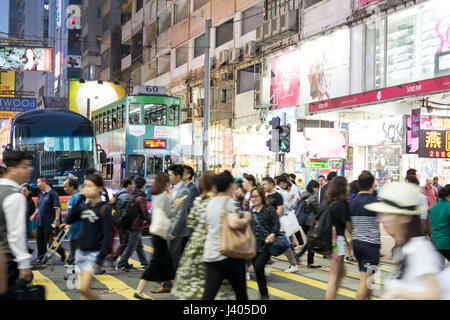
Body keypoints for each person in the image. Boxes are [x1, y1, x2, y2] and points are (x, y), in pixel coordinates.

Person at [364, 182, 444, 300]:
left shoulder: (419, 250)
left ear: (404, 217)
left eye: (388, 214)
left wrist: (398, 293)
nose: (381, 219)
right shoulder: (405, 247)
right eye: (382, 214)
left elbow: (435, 295)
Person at [172, 171, 234, 300]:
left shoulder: (199, 200)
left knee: (193, 279)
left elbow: (191, 222)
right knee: (215, 281)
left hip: (195, 245)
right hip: (214, 243)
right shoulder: (220, 202)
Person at [60, 172, 112, 300]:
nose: (86, 189)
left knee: (84, 288)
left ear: (99, 188)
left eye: (90, 186)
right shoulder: (85, 206)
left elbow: (108, 235)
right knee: (83, 291)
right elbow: (70, 217)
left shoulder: (104, 208)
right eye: (85, 186)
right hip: (81, 252)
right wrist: (80, 198)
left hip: (93, 254)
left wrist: (100, 259)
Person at [202, 170, 252, 300]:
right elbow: (234, 223)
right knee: (241, 294)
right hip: (229, 254)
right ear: (230, 185)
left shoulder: (210, 202)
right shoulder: (230, 202)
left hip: (210, 255)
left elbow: (206, 227)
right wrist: (246, 218)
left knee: (209, 294)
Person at [134, 174, 175, 300]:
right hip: (159, 234)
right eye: (168, 183)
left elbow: (160, 217)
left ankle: (176, 287)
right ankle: (139, 291)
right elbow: (170, 213)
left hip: (157, 233)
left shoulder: (156, 196)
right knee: (155, 263)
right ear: (165, 184)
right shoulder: (163, 196)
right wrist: (177, 204)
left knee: (168, 262)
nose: (170, 185)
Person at [0, 151, 33, 299]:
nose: (29, 170)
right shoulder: (15, 196)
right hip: (8, 262)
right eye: (25, 167)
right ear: (12, 169)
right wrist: (24, 264)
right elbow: (16, 235)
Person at [153, 164, 190, 293]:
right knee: (171, 257)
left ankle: (170, 283)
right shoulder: (173, 188)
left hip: (176, 230)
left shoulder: (183, 191)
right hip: (170, 228)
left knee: (172, 257)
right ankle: (170, 282)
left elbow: (181, 215)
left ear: (179, 176)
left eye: (171, 175)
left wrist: (173, 232)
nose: (169, 177)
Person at [348, 171, 380, 300]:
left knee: (371, 279)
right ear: (372, 184)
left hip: (357, 244)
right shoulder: (375, 202)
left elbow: (349, 226)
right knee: (365, 280)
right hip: (371, 246)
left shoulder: (353, 202)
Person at [249, 187, 280, 300]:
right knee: (258, 271)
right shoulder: (251, 210)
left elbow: (276, 224)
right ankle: (264, 294)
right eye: (252, 196)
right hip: (253, 245)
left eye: (256, 196)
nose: (254, 199)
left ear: (262, 196)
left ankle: (264, 295)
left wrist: (272, 234)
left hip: (266, 245)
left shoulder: (269, 209)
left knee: (258, 267)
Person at [262, 177, 298, 273]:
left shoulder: (277, 195)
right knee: (266, 243)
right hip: (267, 225)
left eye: (265, 184)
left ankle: (293, 264)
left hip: (275, 224)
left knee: (283, 244)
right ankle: (262, 264)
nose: (263, 186)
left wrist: (272, 218)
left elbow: (280, 209)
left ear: (271, 184)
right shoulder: (265, 195)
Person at [30, 176, 66, 266]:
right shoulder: (41, 194)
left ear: (44, 182)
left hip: (49, 223)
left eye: (38, 182)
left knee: (50, 243)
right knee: (40, 242)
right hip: (40, 223)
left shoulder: (53, 194)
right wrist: (34, 215)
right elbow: (39, 207)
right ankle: (41, 259)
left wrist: (57, 219)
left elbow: (57, 208)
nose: (37, 185)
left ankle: (62, 253)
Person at [325, 176, 350, 300]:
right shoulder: (341, 205)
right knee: (334, 276)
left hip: (330, 240)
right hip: (337, 241)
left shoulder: (329, 201)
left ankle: (333, 296)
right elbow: (349, 226)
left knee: (341, 272)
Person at [116, 177, 150, 271]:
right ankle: (121, 263)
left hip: (130, 223)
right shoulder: (141, 197)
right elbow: (144, 213)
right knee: (131, 246)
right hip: (136, 225)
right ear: (143, 186)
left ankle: (145, 262)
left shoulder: (132, 195)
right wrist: (151, 221)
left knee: (139, 246)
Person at [295, 180, 321, 268]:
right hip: (310, 222)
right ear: (314, 188)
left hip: (303, 221)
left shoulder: (303, 195)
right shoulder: (313, 197)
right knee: (311, 241)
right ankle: (310, 262)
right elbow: (317, 210)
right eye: (317, 188)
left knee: (310, 241)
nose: (318, 190)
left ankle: (298, 256)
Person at [107, 179, 133, 263]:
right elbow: (124, 210)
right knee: (124, 242)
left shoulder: (119, 193)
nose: (132, 186)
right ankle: (114, 257)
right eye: (131, 184)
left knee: (124, 241)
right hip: (122, 221)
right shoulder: (125, 196)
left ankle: (124, 261)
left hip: (116, 220)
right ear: (128, 185)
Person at [63, 178, 84, 268]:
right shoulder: (71, 198)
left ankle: (73, 277)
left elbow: (80, 213)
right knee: (73, 249)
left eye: (66, 186)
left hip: (78, 229)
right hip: (73, 230)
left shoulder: (78, 197)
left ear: (72, 187)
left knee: (74, 251)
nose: (64, 188)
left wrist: (70, 223)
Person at [429, 185, 450, 263]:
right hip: (447, 243)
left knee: (438, 270)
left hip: (434, 242)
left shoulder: (435, 206)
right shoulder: (449, 206)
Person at [22, 185, 36, 253]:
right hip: (20, 224)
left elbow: (30, 214)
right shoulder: (20, 200)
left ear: (29, 192)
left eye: (25, 190)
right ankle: (28, 250)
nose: (23, 192)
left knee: (24, 241)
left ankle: (27, 251)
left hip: (26, 224)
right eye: (22, 190)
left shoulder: (31, 202)